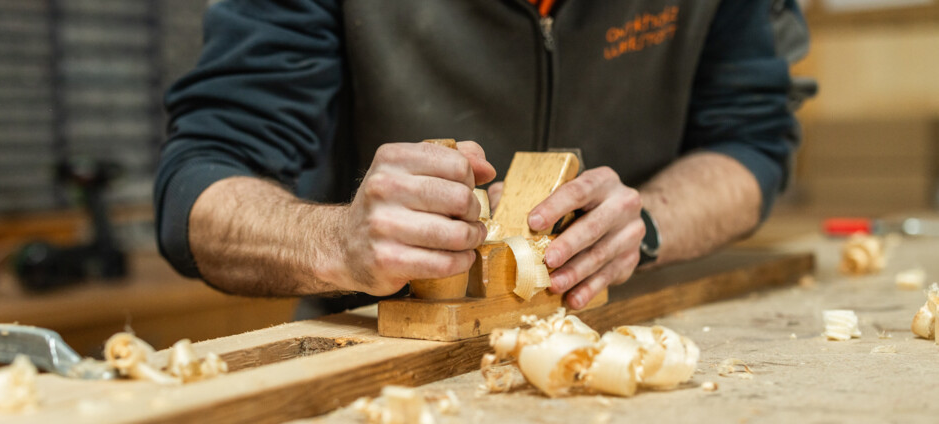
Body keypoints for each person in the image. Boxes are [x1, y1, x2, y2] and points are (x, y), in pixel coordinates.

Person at [155, 0, 812, 314]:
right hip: (389, 375)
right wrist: (336, 241)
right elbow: (200, 182)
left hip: (626, 338)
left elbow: (750, 139)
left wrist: (647, 223)